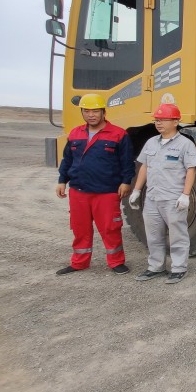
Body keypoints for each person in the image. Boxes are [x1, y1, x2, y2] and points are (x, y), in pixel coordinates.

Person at [56, 93, 135, 275]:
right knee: (80, 229)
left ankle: (116, 262)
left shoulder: (118, 134)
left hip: (106, 191)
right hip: (79, 190)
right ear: (82, 112)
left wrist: (126, 182)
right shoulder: (75, 133)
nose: (91, 115)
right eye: (86, 111)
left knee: (110, 228)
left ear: (103, 112)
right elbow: (67, 160)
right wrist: (62, 181)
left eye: (95, 111)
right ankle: (79, 262)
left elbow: (127, 162)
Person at [130, 103, 196, 284]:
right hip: (152, 198)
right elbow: (144, 166)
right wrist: (137, 190)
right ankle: (156, 267)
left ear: (175, 122)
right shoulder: (151, 142)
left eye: (163, 120)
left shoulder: (185, 144)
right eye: (156, 120)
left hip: (173, 199)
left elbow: (191, 170)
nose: (158, 123)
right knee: (153, 235)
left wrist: (185, 195)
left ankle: (179, 268)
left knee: (177, 235)